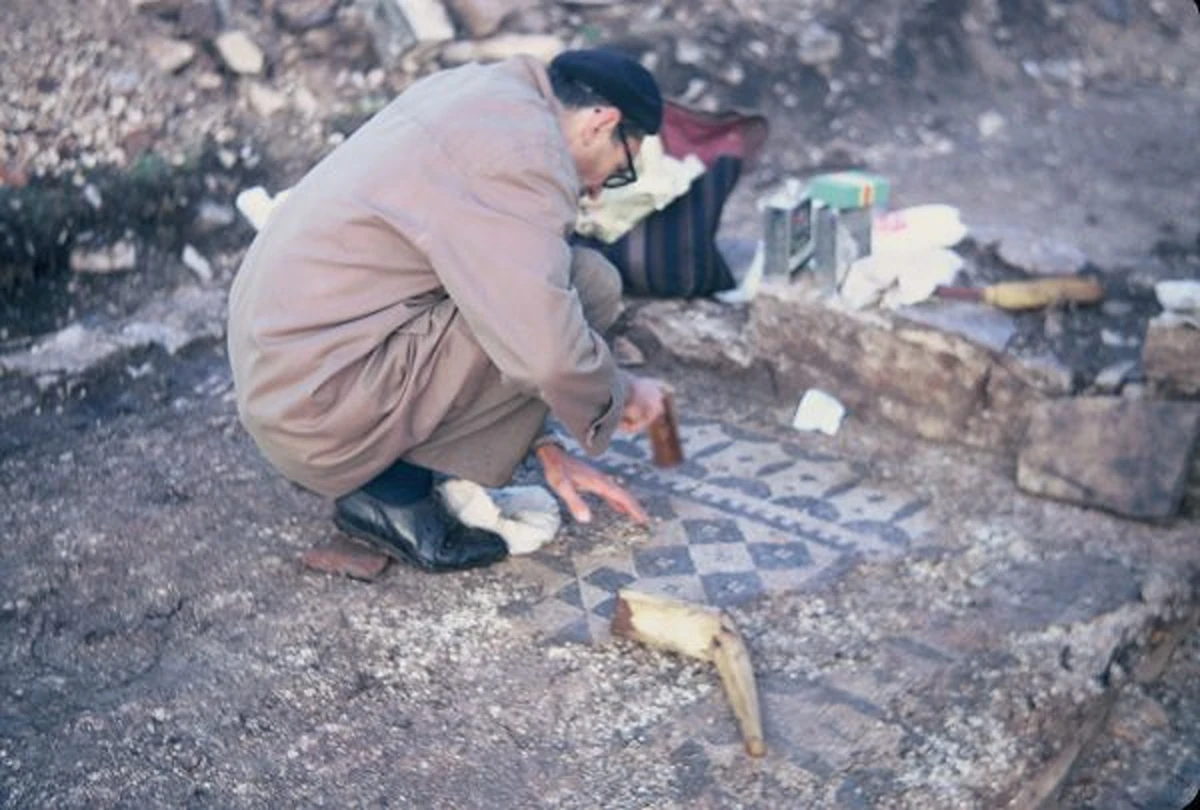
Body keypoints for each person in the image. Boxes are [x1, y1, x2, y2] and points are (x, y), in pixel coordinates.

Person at [227, 47, 669, 573]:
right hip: (315, 408)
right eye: (618, 171)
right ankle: (392, 494)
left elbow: (489, 286)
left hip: (284, 371)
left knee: (560, 288)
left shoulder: (485, 93)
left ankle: (414, 464)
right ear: (602, 122)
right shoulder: (527, 156)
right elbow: (543, 351)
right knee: (583, 289)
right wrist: (618, 393)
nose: (596, 191)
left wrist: (542, 442)